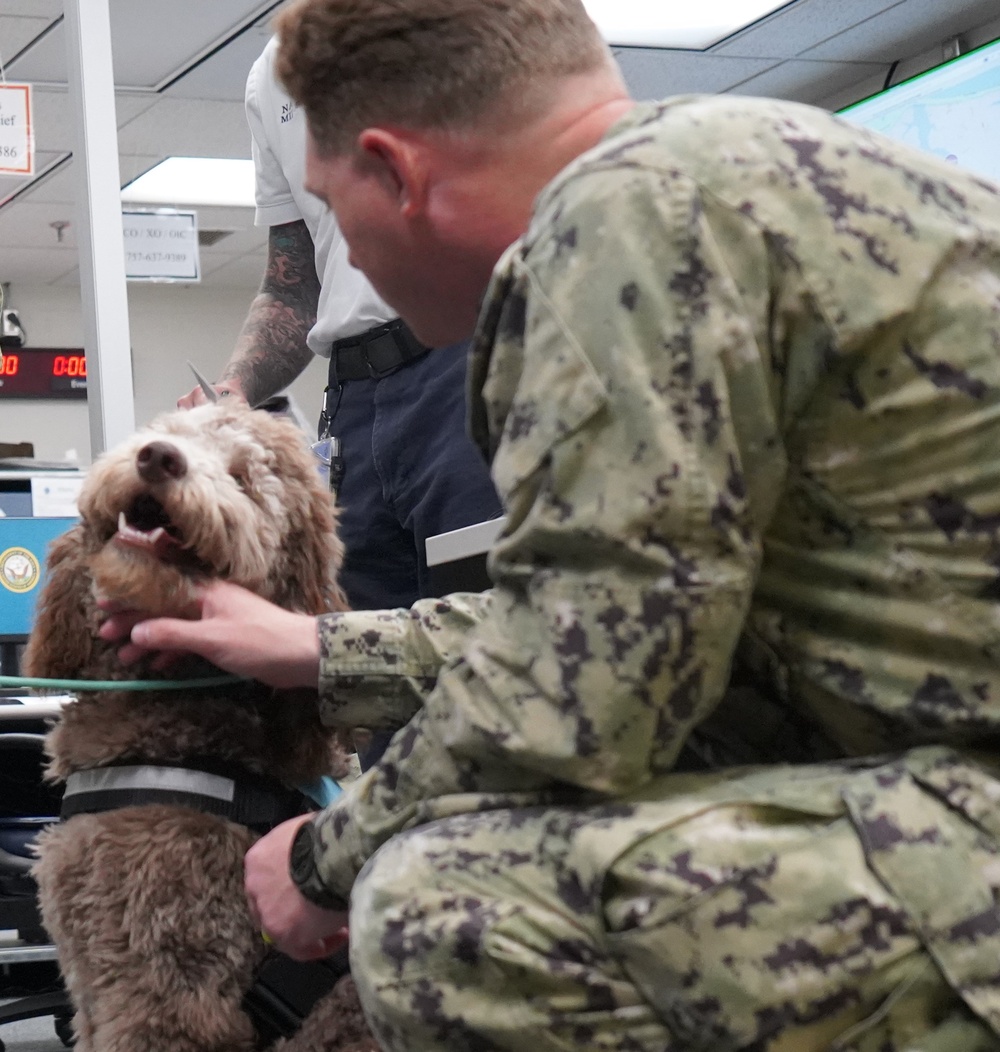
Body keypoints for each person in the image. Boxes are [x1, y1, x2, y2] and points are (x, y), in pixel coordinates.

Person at [105, 0, 1000, 1048]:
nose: (345, 247)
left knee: (440, 910)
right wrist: (320, 646)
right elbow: (615, 621)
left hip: (963, 826)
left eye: (336, 209)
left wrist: (324, 857)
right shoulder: (723, 174)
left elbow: (581, 700)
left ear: (395, 171)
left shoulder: (617, 229)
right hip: (932, 768)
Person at [178, 35, 502, 614]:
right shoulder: (272, 72)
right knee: (359, 637)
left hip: (460, 370)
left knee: (481, 619)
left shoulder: (449, 23)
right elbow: (292, 283)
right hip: (354, 401)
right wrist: (237, 387)